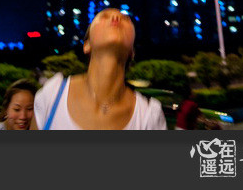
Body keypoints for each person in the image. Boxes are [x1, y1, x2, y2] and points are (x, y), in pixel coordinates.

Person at [30, 8, 167, 130]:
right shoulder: (52, 95)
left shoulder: (149, 115)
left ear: (132, 52)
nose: (116, 18)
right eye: (104, 16)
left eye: (126, 18)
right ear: (87, 45)